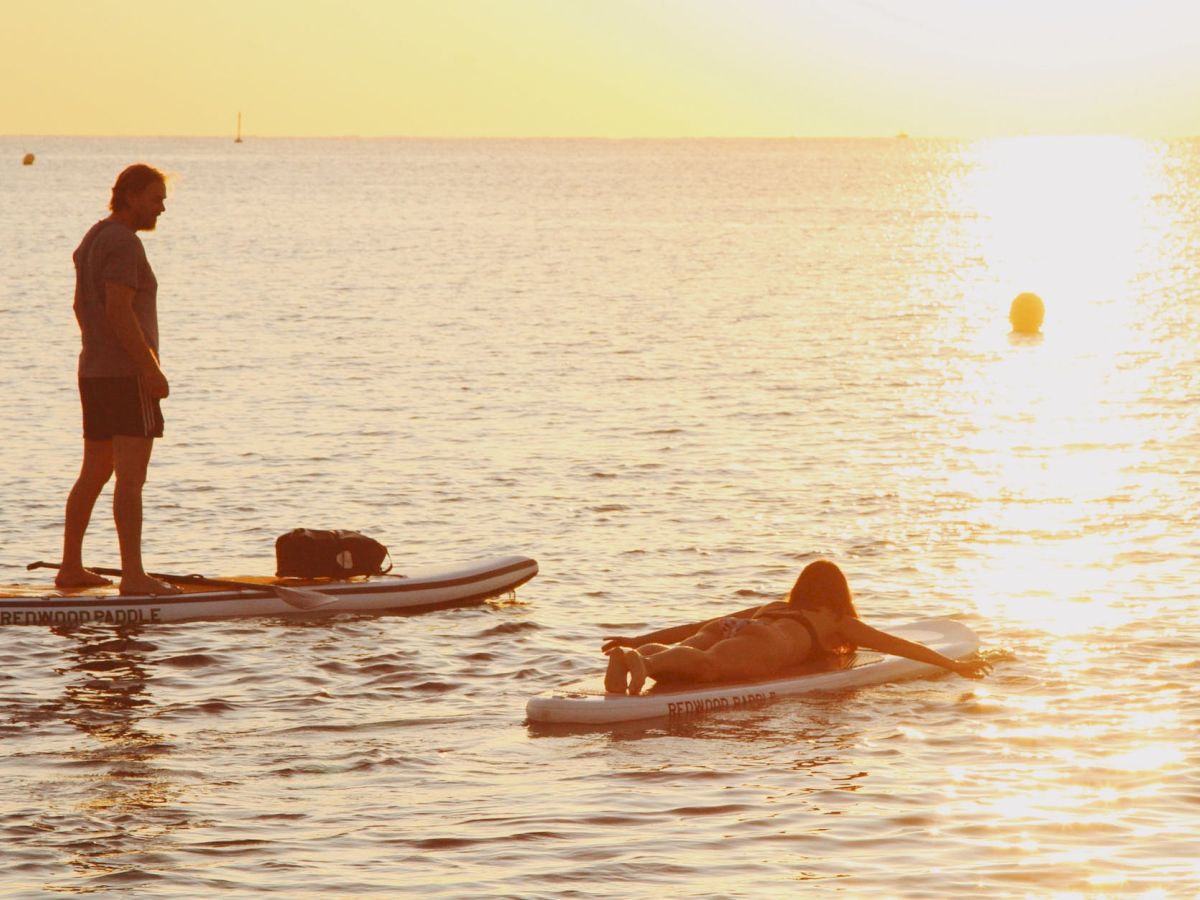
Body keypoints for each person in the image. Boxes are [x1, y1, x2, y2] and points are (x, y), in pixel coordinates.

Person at [56, 164, 179, 596]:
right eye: (155, 199)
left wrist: (98, 349)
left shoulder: (93, 238)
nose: (161, 208)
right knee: (130, 478)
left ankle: (71, 567)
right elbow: (119, 310)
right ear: (129, 196)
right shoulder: (124, 243)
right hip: (126, 377)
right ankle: (134, 576)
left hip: (93, 371)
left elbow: (80, 308)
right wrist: (149, 368)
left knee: (94, 471)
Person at [601, 559, 990, 694]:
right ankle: (645, 665)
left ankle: (636, 656)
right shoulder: (838, 621)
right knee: (710, 668)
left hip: (733, 624)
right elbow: (897, 646)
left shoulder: (775, 604)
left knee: (696, 647)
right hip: (769, 641)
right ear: (839, 593)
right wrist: (953, 666)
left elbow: (697, 624)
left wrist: (641, 637)